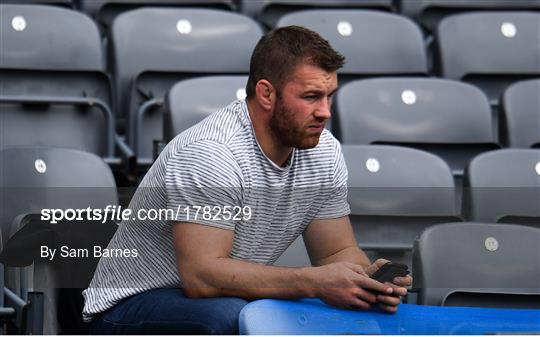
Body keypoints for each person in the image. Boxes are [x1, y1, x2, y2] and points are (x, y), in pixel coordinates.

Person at [83, 25, 412, 334]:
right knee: (232, 317)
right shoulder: (211, 154)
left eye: (330, 96)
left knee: (349, 311)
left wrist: (367, 280)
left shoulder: (323, 150)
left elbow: (335, 252)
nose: (325, 111)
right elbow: (201, 279)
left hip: (222, 298)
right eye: (311, 97)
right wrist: (314, 282)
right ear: (266, 94)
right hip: (128, 307)